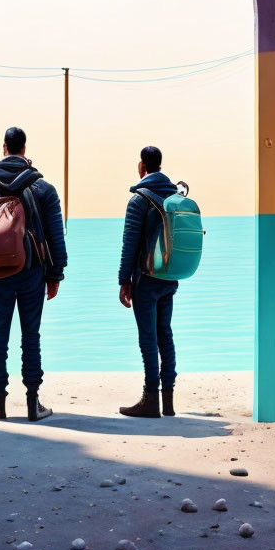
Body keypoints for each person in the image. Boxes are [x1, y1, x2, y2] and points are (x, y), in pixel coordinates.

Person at [0, 126, 67, 421]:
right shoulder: (43, 188)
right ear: (23, 148)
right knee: (31, 334)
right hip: (33, 271)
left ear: (4, 147)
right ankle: (33, 402)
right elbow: (56, 236)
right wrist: (55, 274)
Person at [117, 145, 179, 418]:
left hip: (146, 278)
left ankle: (150, 399)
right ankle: (169, 400)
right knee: (165, 333)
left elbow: (129, 245)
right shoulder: (175, 197)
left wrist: (124, 280)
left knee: (148, 337)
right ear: (160, 166)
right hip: (169, 275)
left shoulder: (139, 200)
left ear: (142, 166)